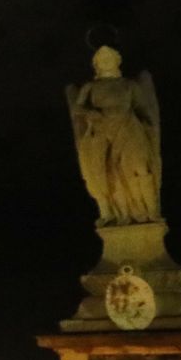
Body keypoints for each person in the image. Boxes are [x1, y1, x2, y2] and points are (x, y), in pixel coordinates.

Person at [67, 46, 162, 226]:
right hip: (102, 131)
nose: (106, 61)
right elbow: (77, 108)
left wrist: (148, 129)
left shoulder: (129, 85)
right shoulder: (90, 87)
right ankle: (121, 215)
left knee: (140, 168)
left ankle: (150, 211)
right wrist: (90, 113)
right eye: (102, 59)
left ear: (117, 61)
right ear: (96, 64)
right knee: (111, 173)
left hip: (129, 128)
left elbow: (143, 109)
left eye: (109, 57)